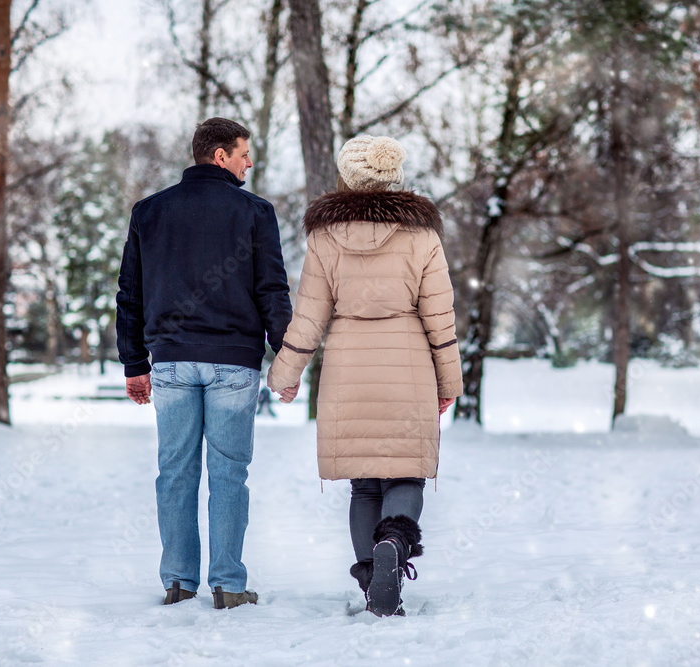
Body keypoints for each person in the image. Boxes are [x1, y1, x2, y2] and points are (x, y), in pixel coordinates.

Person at [267, 135, 462, 617]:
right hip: (409, 363)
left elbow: (309, 314)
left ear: (349, 177)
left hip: (347, 367)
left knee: (364, 485)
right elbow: (441, 316)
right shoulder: (422, 235)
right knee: (406, 474)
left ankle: (372, 575)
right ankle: (394, 542)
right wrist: (449, 383)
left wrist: (285, 373)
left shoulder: (324, 236)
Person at [116, 118, 292, 609]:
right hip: (234, 364)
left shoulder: (149, 212)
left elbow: (130, 294)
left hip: (170, 362)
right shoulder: (256, 212)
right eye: (242, 154)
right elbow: (271, 291)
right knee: (229, 474)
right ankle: (229, 586)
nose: (248, 162)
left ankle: (177, 580)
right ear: (220, 156)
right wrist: (288, 357)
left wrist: (134, 363)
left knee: (174, 472)